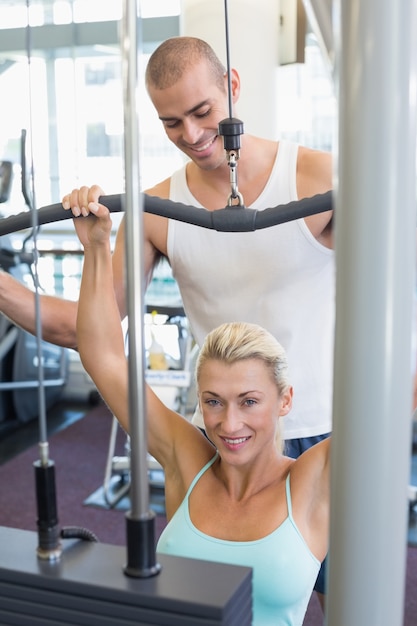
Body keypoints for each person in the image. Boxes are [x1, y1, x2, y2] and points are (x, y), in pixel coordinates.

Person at [0, 36, 333, 598]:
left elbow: (393, 299)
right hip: (221, 436)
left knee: (349, 602)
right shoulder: (156, 208)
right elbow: (85, 331)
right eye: (172, 122)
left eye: (202, 112)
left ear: (232, 85)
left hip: (324, 435)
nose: (193, 135)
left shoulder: (320, 180)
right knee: (206, 597)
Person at [73, 196, 330, 626]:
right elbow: (104, 359)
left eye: (249, 401)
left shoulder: (312, 482)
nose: (229, 425)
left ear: (285, 400)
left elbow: (398, 401)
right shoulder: (186, 462)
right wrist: (98, 250)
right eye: (213, 401)